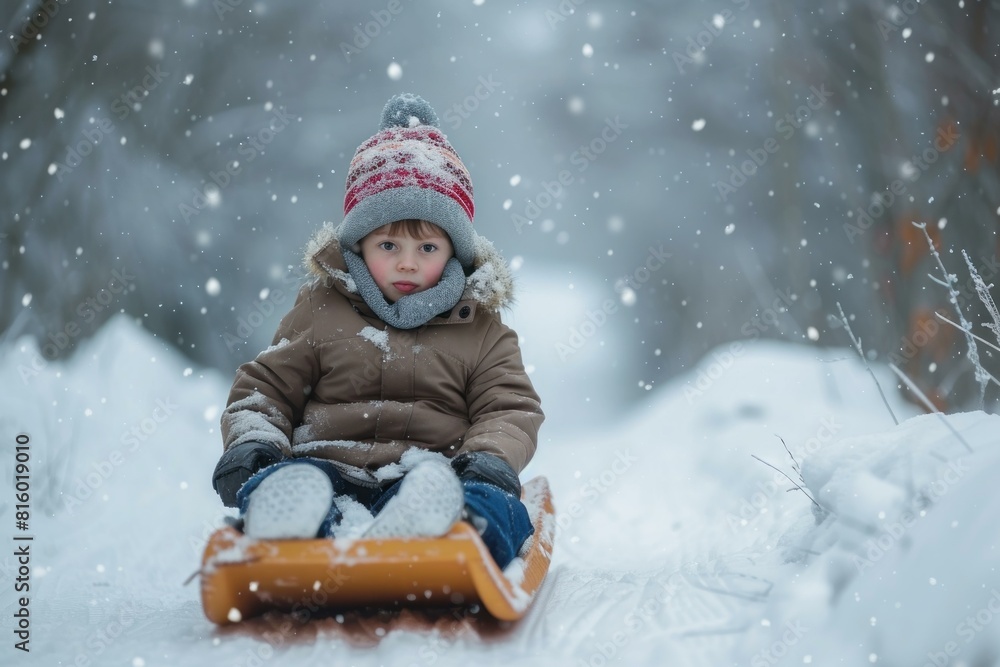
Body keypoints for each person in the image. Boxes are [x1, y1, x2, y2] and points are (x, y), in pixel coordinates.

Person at [210, 93, 543, 568]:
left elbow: (509, 407)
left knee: (499, 508)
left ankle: (453, 523)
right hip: (325, 469)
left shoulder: (480, 328)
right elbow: (267, 388)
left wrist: (488, 460)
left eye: (427, 247)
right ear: (358, 245)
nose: (407, 261)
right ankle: (292, 519)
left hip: (431, 473)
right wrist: (254, 443)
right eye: (389, 244)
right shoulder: (321, 309)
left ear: (455, 253)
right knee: (286, 484)